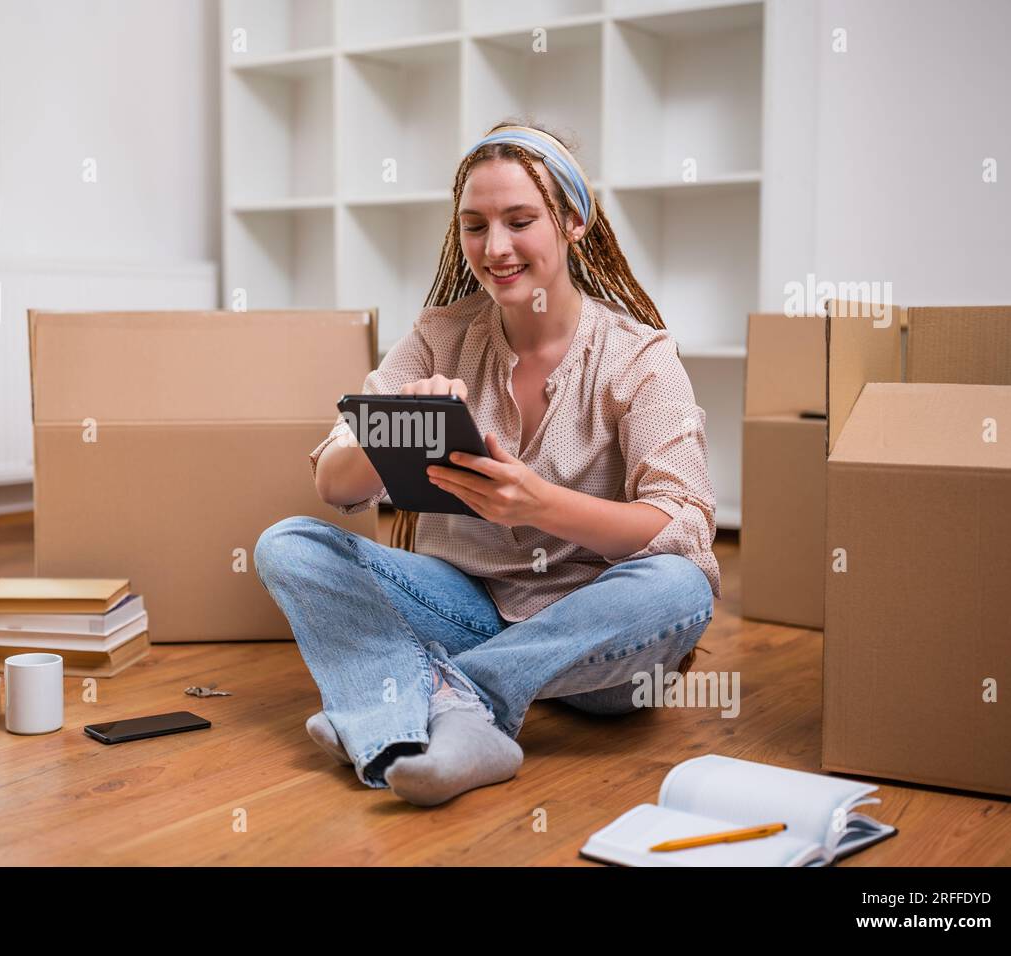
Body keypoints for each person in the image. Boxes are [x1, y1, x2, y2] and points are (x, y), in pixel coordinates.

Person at [254, 121, 720, 807]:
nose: (494, 248)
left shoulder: (640, 356)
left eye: (519, 220)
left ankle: (405, 708)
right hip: (464, 606)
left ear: (573, 221)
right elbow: (334, 482)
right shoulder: (438, 335)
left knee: (682, 587)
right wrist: (398, 430)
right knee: (288, 545)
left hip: (593, 647)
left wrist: (538, 503)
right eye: (475, 226)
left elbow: (682, 525)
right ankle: (466, 717)